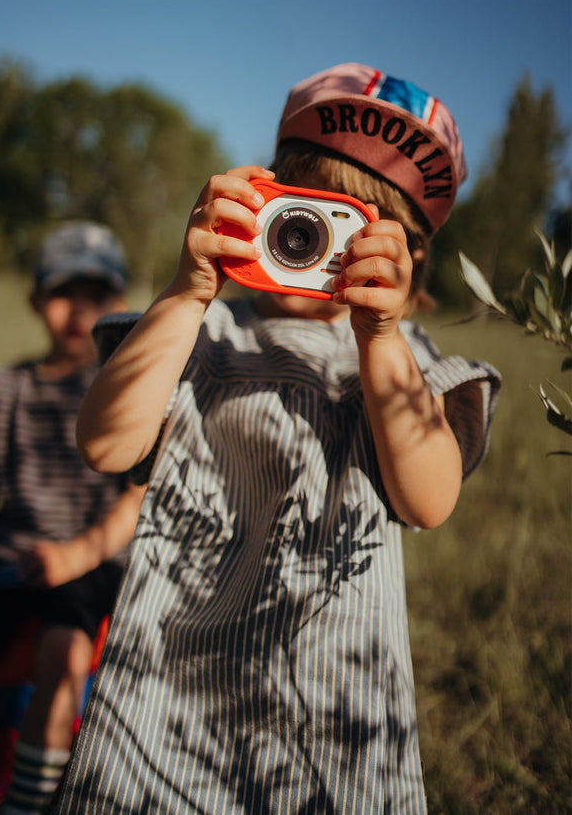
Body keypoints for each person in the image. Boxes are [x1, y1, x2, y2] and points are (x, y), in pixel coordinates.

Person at [54, 64, 501, 814]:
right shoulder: (202, 334)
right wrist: (187, 289)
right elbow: (103, 443)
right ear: (262, 193)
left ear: (406, 260)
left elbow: (428, 500)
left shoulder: (408, 365)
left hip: (333, 733)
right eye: (302, 207)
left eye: (351, 228)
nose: (314, 239)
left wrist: (381, 335)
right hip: (159, 717)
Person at [0, 222, 145, 814]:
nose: (79, 310)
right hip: (5, 563)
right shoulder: (6, 388)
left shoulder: (121, 392)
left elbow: (135, 500)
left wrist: (75, 556)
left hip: (89, 563)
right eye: (63, 292)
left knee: (65, 653)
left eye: (96, 295)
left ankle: (32, 800)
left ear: (119, 307)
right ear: (36, 301)